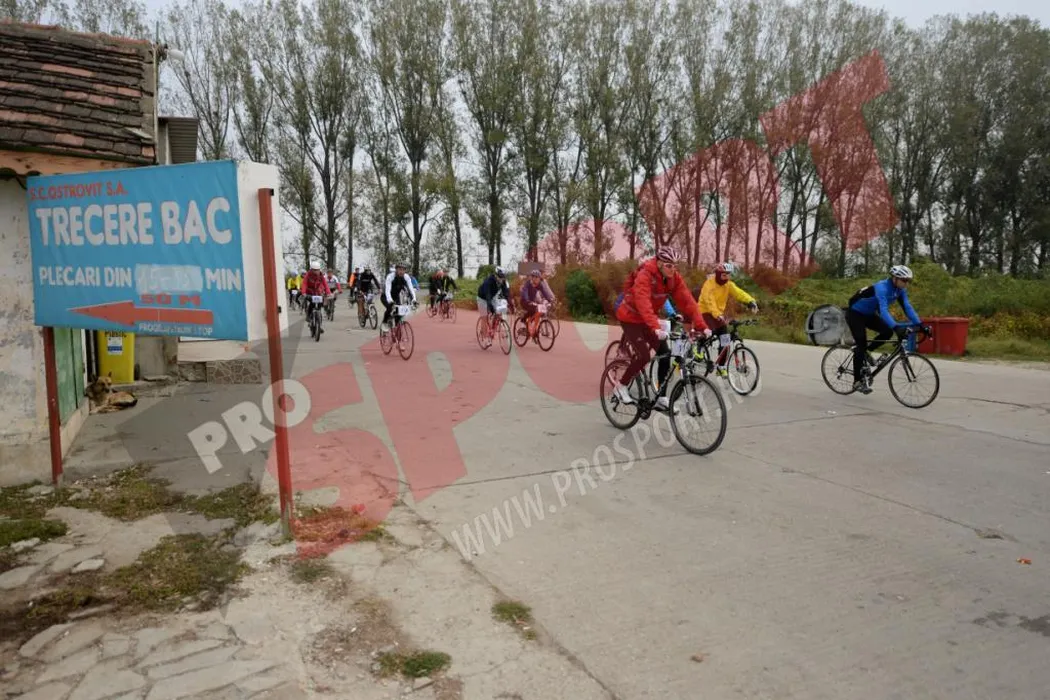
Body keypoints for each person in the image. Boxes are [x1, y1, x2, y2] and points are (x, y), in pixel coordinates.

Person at [613, 248, 711, 412]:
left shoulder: (674, 279)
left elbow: (688, 302)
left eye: (675, 265)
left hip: (647, 320)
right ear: (659, 264)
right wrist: (656, 328)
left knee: (665, 353)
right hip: (630, 318)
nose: (673, 269)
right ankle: (621, 386)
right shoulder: (645, 275)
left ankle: (661, 398)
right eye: (668, 265)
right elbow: (643, 302)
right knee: (644, 355)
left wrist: (702, 326)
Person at [847, 264, 926, 394]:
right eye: (904, 280)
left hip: (869, 314)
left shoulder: (900, 290)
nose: (906, 283)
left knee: (887, 332)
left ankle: (866, 352)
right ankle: (857, 381)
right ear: (895, 278)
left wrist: (920, 324)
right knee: (861, 344)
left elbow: (907, 307)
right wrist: (896, 327)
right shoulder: (882, 288)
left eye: (908, 281)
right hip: (855, 313)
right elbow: (883, 311)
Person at [697, 262, 759, 376]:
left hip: (718, 314)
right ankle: (698, 348)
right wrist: (717, 314)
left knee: (725, 339)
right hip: (705, 311)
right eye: (724, 275)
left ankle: (721, 367)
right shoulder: (709, 283)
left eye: (728, 275)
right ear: (718, 274)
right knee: (710, 332)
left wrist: (750, 301)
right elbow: (709, 300)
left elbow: (739, 293)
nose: (727, 278)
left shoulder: (728, 285)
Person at [519, 269, 556, 341]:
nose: (536, 279)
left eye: (537, 277)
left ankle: (533, 328)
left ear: (539, 278)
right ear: (531, 277)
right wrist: (527, 300)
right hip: (524, 301)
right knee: (532, 310)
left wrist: (550, 300)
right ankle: (523, 321)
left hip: (532, 301)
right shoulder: (528, 283)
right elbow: (525, 292)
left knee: (539, 312)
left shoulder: (539, 285)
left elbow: (545, 293)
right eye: (534, 277)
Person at [381, 262, 417, 330]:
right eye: (400, 269)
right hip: (385, 296)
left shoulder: (406, 277)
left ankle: (396, 329)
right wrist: (390, 301)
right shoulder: (390, 277)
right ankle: (384, 322)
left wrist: (414, 299)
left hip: (396, 297)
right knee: (390, 308)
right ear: (396, 270)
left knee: (399, 313)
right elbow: (387, 290)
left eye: (403, 270)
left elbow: (411, 289)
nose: (401, 271)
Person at [301, 261, 331, 332]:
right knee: (312, 303)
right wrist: (303, 293)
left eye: (317, 270)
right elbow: (304, 284)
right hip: (309, 292)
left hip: (317, 292)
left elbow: (325, 284)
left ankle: (319, 325)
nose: (316, 271)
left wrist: (328, 293)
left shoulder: (321, 275)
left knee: (319, 307)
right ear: (311, 269)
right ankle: (308, 316)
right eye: (314, 270)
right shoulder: (308, 275)